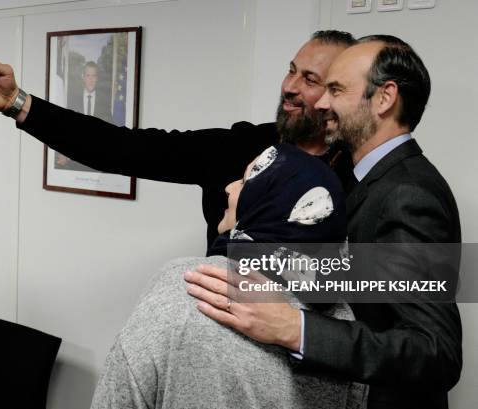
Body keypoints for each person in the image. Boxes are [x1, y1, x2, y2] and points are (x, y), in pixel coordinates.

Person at [185, 35, 462, 409]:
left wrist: (293, 328)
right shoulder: (362, 177)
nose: (323, 103)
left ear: (384, 98)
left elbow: (435, 351)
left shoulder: (407, 194)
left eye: (335, 89)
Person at [0, 30, 356, 248]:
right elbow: (121, 148)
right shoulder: (240, 146)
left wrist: (290, 320)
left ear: (340, 90)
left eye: (309, 79)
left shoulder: (364, 173)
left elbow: (381, 282)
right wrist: (16, 102)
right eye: (291, 70)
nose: (288, 86)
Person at [91, 143, 367, 409]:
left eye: (246, 182)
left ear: (269, 202)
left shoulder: (187, 283)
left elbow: (119, 394)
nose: (229, 187)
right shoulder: (341, 324)